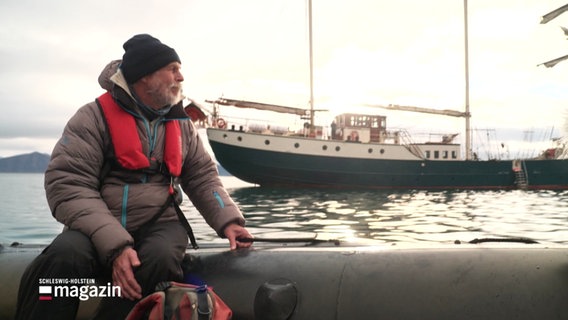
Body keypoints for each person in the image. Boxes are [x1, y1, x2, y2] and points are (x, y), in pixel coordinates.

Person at [15, 34, 253, 320]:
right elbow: (69, 184)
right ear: (146, 76)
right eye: (173, 69)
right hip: (98, 226)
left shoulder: (182, 126)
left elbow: (202, 176)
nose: (181, 76)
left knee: (164, 256)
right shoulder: (92, 118)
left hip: (159, 224)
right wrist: (117, 247)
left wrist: (229, 221)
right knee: (66, 254)